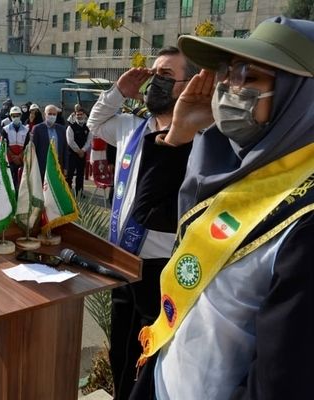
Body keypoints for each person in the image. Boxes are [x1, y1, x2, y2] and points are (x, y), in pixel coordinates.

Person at [127, 16, 314, 400]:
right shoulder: (233, 168)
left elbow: (282, 382)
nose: (230, 87)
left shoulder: (305, 218)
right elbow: (150, 213)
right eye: (227, 73)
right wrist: (180, 136)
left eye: (251, 76)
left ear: (301, 96)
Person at [87, 46, 198, 399]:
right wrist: (120, 91)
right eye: (154, 74)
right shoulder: (133, 127)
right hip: (122, 261)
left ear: (188, 85)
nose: (156, 82)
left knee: (153, 356)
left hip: (161, 268)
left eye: (166, 76)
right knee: (121, 349)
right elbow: (95, 124)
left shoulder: (200, 139)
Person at [28, 104, 67, 179]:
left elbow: (65, 150)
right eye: (49, 114)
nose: (52, 116)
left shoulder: (62, 129)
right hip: (42, 167)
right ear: (44, 115)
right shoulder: (37, 129)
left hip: (58, 167)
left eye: (54, 114)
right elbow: (32, 149)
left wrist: (65, 167)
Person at [1, 106, 29, 189]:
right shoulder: (5, 129)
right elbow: (4, 144)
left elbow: (27, 145)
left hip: (22, 159)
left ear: (20, 116)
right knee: (10, 182)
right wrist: (14, 157)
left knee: (21, 182)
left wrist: (19, 157)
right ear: (10, 116)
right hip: (9, 160)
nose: (15, 117)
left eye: (17, 115)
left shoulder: (26, 130)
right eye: (13, 116)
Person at [65, 107, 91, 197]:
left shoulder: (88, 127)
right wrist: (78, 151)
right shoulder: (70, 127)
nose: (79, 116)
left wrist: (83, 150)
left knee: (80, 174)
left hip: (82, 154)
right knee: (69, 174)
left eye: (81, 114)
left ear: (84, 115)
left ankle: (79, 193)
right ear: (75, 115)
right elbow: (70, 141)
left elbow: (89, 141)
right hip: (72, 154)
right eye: (77, 115)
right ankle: (67, 193)